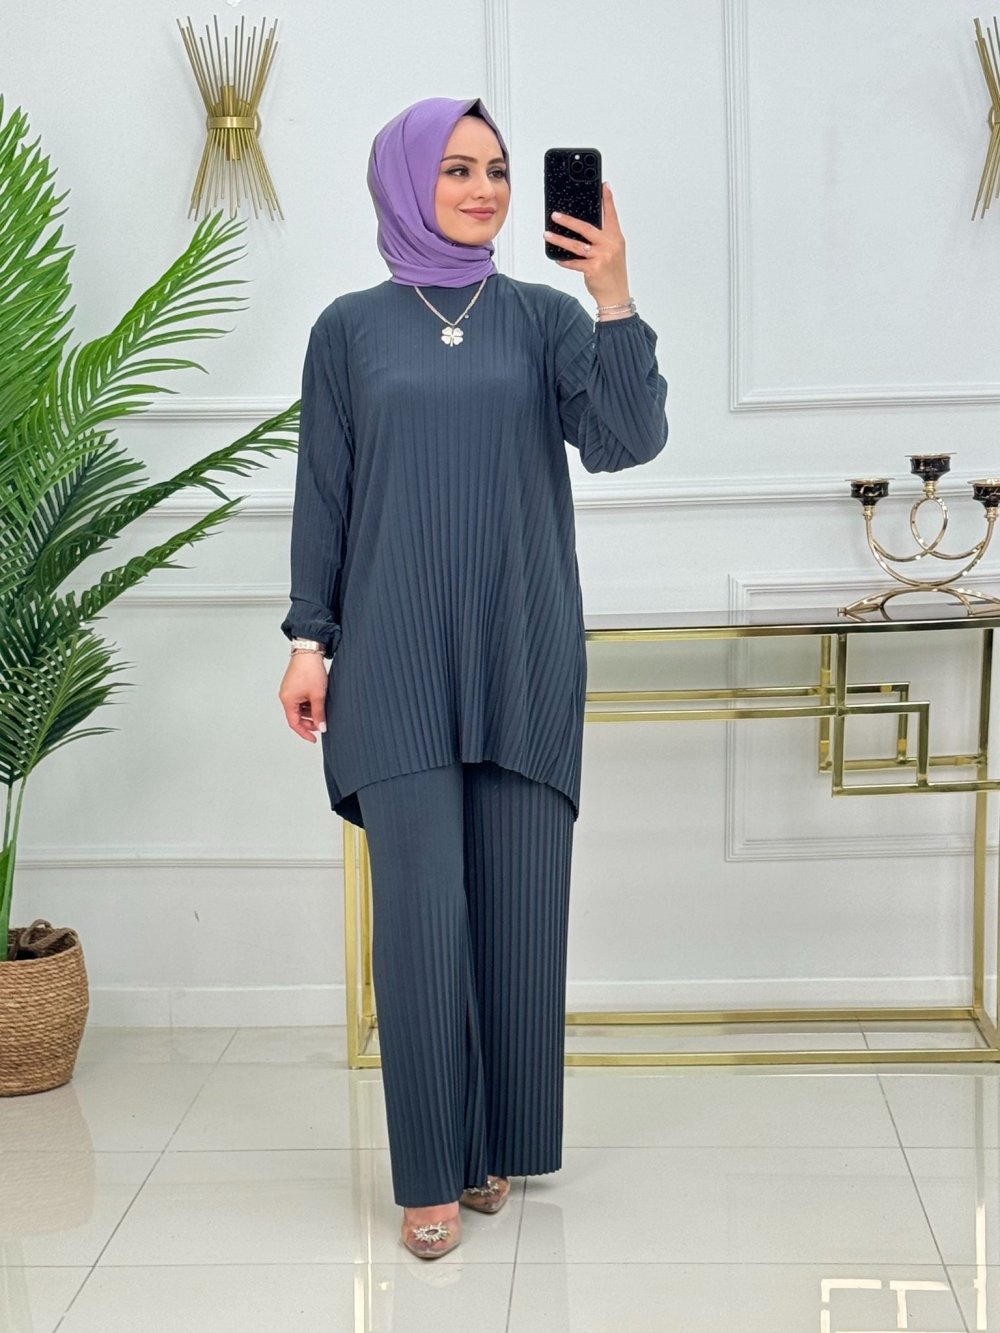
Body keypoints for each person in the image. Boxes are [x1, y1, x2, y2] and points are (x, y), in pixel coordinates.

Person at [278, 96, 668, 1260]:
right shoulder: (348, 330)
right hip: (393, 656)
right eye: (456, 168)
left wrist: (612, 294)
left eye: (496, 169)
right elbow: (325, 492)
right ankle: (428, 1171)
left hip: (522, 648)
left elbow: (625, 440)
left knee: (518, 912)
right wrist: (308, 639)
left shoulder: (545, 318)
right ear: (406, 181)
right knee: (418, 920)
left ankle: (494, 1141)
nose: (484, 189)